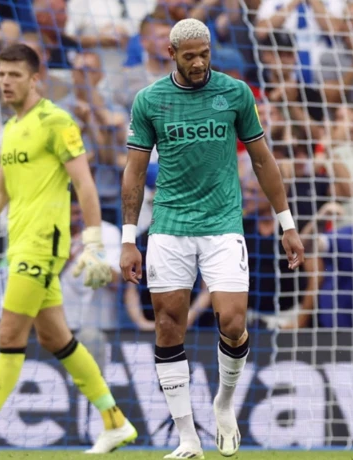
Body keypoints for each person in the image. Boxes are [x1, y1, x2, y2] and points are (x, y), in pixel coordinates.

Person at [119, 18, 304, 459]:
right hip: (169, 227)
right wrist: (129, 238)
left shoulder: (235, 93)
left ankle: (223, 403)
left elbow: (262, 161)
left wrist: (288, 224)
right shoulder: (150, 100)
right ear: (172, 54)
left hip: (223, 224)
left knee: (233, 322)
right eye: (190, 56)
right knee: (168, 327)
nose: (200, 62)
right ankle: (187, 438)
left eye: (205, 53)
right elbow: (135, 172)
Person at [0, 43, 136, 452]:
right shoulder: (13, 128)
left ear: (37, 78)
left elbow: (85, 184)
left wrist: (92, 243)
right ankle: (115, 421)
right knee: (56, 340)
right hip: (19, 246)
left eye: (15, 75)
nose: (5, 82)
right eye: (1, 74)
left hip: (43, 246)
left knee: (9, 336)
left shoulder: (56, 121)